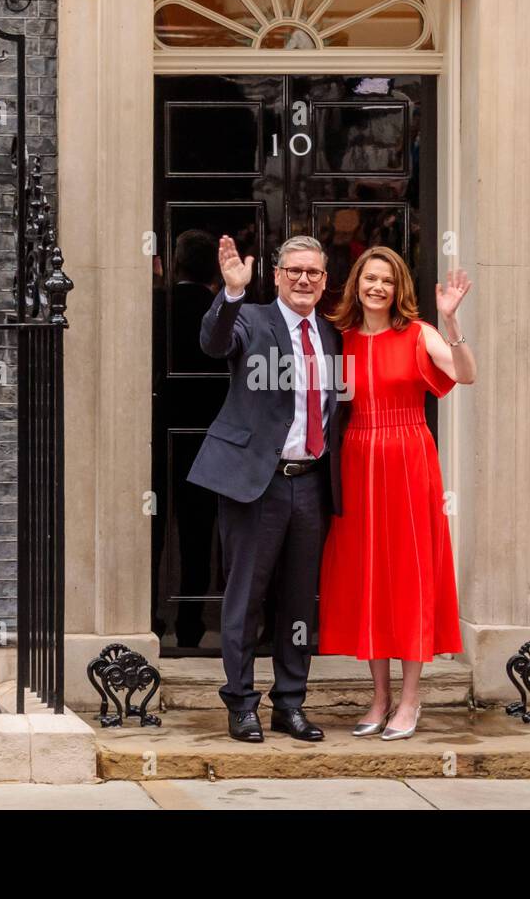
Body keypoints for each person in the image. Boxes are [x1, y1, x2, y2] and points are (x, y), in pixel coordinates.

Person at [186, 235, 344, 742]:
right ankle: (240, 702)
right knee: (245, 596)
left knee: (299, 601)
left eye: (313, 273)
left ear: (324, 280)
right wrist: (231, 293)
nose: (303, 280)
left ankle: (290, 703)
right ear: (275, 275)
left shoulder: (330, 333)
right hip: (258, 482)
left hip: (311, 483)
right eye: (294, 271)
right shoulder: (252, 319)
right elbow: (213, 342)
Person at [318, 246, 476, 740]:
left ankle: (410, 699)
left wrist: (450, 321)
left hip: (408, 458)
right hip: (357, 458)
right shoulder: (339, 340)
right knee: (368, 576)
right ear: (356, 284)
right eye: (370, 278)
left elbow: (465, 373)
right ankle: (379, 697)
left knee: (408, 575)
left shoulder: (417, 334)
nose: (377, 287)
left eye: (387, 279)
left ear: (398, 287)